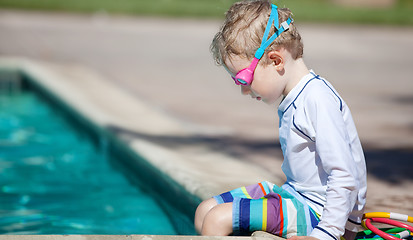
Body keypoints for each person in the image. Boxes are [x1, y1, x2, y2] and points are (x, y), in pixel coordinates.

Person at [194, 1, 367, 239]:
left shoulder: (317, 99)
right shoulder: (296, 97)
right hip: (294, 195)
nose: (244, 91)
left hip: (319, 214)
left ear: (276, 61)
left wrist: (328, 233)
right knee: (205, 210)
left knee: (217, 219)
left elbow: (345, 175)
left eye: (243, 79)